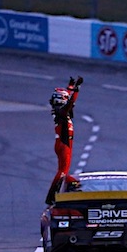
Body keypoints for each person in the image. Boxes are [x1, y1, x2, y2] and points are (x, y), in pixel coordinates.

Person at [45, 76, 83, 205]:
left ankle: (72, 184)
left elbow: (69, 103)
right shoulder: (61, 112)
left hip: (63, 143)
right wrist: (77, 89)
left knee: (64, 171)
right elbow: (70, 102)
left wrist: (71, 86)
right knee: (62, 171)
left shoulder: (60, 112)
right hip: (64, 144)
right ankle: (51, 197)